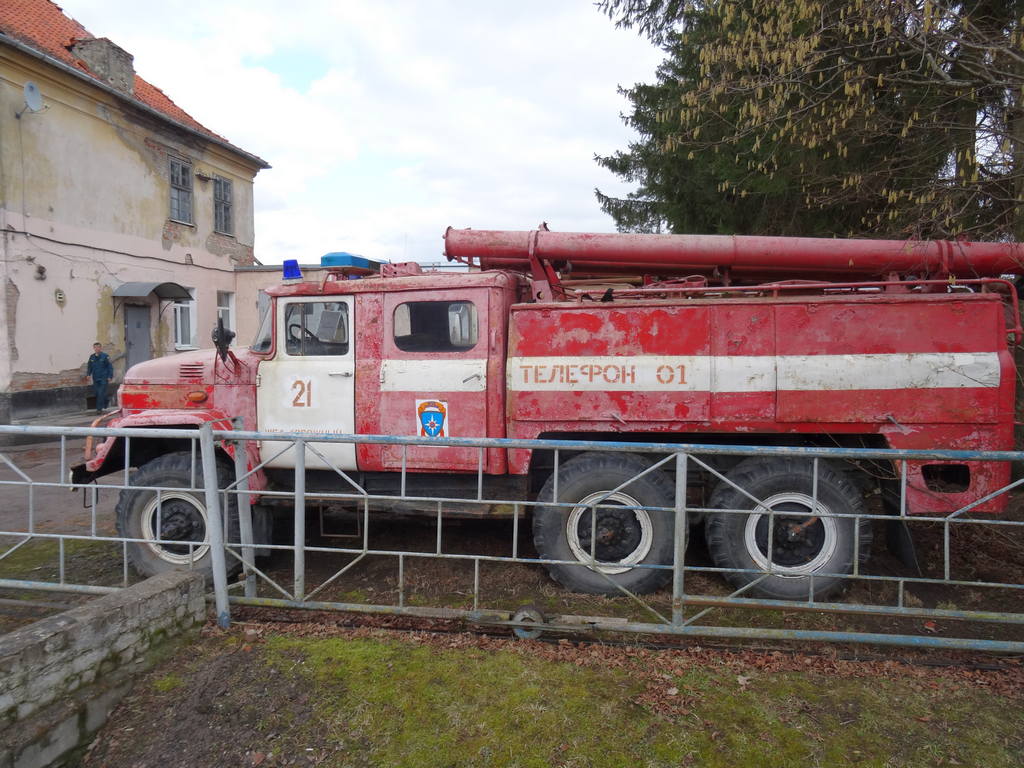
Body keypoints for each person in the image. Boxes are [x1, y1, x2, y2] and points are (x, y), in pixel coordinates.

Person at [86, 342, 113, 412]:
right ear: (93, 348)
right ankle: (106, 401)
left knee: (100, 392)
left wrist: (110, 376)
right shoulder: (92, 357)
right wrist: (88, 374)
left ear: (101, 348)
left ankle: (99, 409)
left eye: (98, 347)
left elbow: (110, 367)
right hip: (95, 378)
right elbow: (89, 367)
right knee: (97, 393)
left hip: (104, 377)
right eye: (95, 347)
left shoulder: (105, 356)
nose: (97, 349)